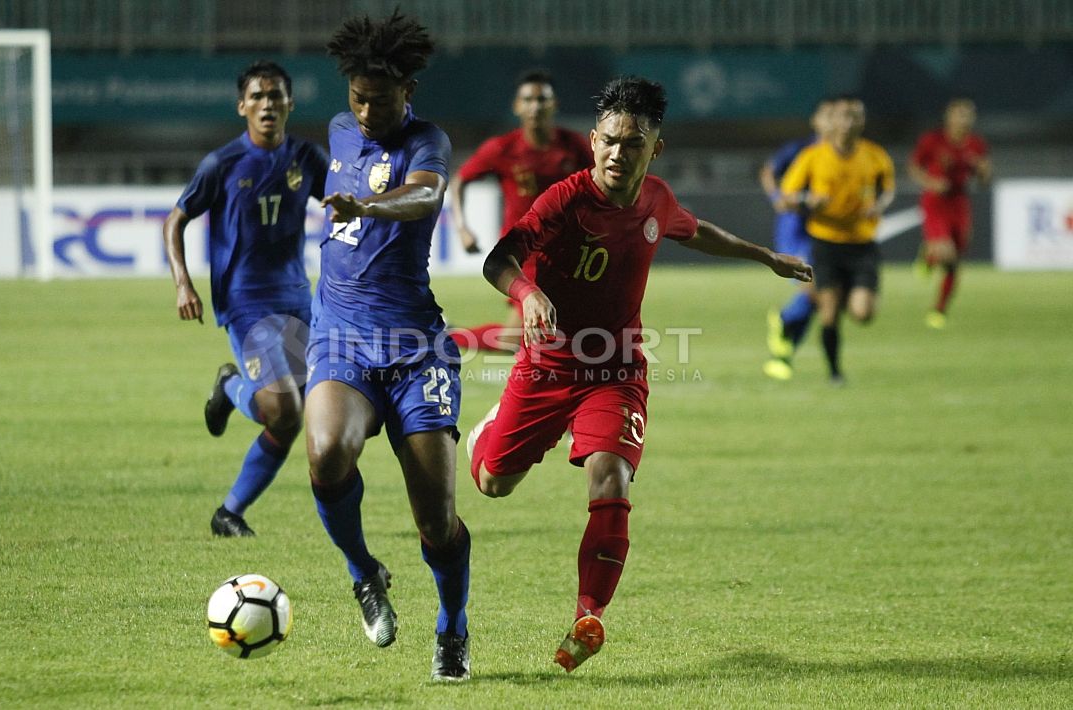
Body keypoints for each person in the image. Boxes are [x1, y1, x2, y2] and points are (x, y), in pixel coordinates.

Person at [466, 76, 811, 673]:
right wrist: (526, 293)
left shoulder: (656, 199)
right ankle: (487, 431)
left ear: (655, 148)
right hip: (547, 368)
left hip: (617, 370)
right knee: (495, 483)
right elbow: (501, 259)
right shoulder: (565, 200)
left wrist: (764, 256)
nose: (617, 154)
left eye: (633, 143)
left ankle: (587, 615)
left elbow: (696, 231)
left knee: (611, 478)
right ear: (594, 141)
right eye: (609, 141)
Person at [305, 10, 471, 682]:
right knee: (326, 453)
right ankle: (364, 571)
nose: (367, 110)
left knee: (436, 521)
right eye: (357, 96)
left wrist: (367, 207)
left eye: (380, 97)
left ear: (409, 91)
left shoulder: (427, 141)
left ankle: (452, 626)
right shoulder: (340, 131)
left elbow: (425, 197)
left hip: (413, 346)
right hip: (340, 334)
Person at [162, 60, 327, 537]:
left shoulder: (306, 158)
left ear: (290, 104)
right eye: (257, 96)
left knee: (292, 419)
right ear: (242, 106)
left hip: (299, 300)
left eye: (276, 96)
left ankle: (228, 513)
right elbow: (175, 220)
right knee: (285, 410)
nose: (267, 104)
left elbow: (339, 205)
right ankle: (234, 389)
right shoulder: (223, 164)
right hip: (245, 303)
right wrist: (182, 282)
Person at [447, 68, 593, 353]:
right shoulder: (502, 149)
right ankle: (445, 337)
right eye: (528, 100)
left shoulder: (574, 147)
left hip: (567, 253)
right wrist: (462, 228)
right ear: (517, 106)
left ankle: (447, 336)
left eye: (542, 99)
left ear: (554, 105)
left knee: (552, 337)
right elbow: (459, 181)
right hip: (522, 254)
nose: (535, 106)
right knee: (518, 340)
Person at [777, 96, 895, 385]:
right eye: (843, 116)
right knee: (828, 312)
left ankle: (845, 297)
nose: (848, 122)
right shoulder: (813, 156)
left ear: (862, 122)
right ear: (834, 122)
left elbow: (887, 190)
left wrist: (879, 205)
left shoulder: (875, 155)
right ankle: (835, 373)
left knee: (862, 313)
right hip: (826, 243)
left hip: (862, 244)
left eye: (855, 117)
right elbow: (786, 198)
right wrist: (808, 201)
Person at [760, 98, 835, 381]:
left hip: (824, 231)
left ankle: (785, 352)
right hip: (796, 229)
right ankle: (783, 320)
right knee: (814, 287)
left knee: (819, 296)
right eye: (826, 116)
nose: (832, 122)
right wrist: (779, 197)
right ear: (816, 122)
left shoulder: (841, 156)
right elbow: (768, 171)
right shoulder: (801, 150)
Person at [908, 97, 991, 329]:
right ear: (949, 117)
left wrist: (984, 172)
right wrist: (930, 182)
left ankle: (939, 309)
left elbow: (985, 181)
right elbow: (914, 167)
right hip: (935, 202)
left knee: (954, 263)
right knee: (948, 253)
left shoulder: (976, 145)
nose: (964, 119)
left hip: (959, 204)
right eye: (959, 114)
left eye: (968, 115)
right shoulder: (933, 140)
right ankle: (931, 255)